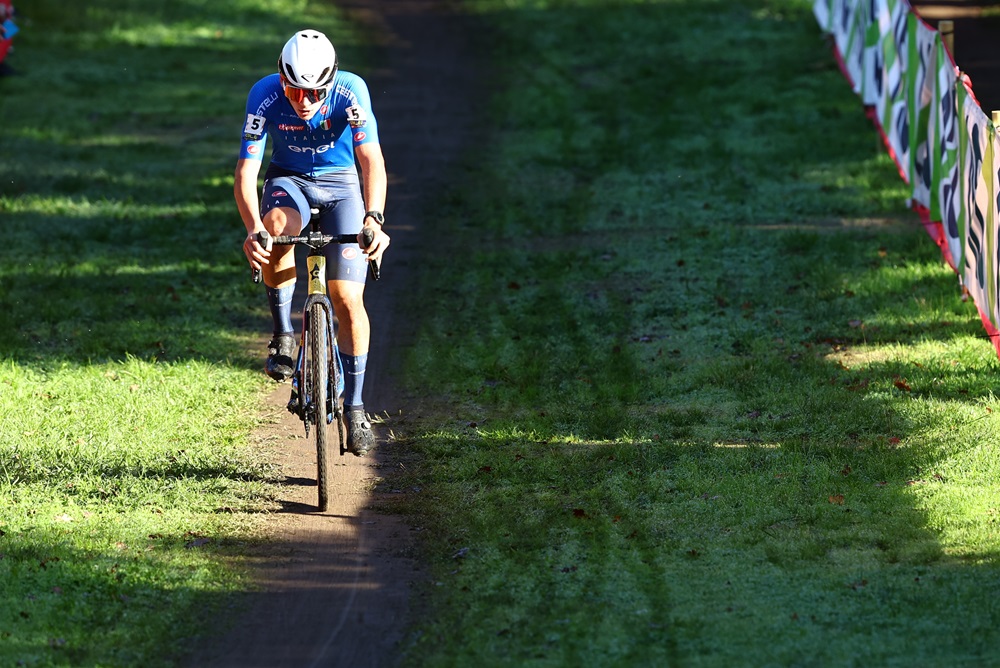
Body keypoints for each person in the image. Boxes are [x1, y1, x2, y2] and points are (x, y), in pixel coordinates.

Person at [235, 29, 389, 456]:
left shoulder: (351, 91)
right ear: (281, 78)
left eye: (314, 92)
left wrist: (373, 218)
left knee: (346, 299)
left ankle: (355, 409)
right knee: (276, 225)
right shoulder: (264, 94)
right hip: (290, 181)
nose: (303, 101)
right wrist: (254, 229)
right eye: (294, 89)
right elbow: (247, 172)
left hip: (342, 187)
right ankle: (284, 333)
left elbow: (370, 160)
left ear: (331, 80)